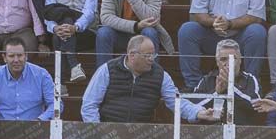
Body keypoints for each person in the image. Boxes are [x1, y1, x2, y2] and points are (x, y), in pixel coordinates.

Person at [176, 0, 268, 91]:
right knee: (187, 30)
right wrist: (214, 22)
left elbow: (256, 17)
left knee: (257, 31)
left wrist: (230, 24)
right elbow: (198, 13)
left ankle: (251, 83)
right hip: (212, 35)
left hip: (240, 36)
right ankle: (193, 85)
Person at [81, 35, 219, 124]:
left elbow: (177, 102)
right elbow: (89, 105)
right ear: (132, 55)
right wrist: (97, 131)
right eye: (147, 56)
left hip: (142, 134)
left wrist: (198, 112)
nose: (151, 60)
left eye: (153, 55)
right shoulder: (107, 70)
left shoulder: (161, 75)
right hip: (108, 130)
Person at [43, 0, 98, 86]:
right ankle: (74, 67)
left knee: (65, 15)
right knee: (62, 19)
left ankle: (59, 83)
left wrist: (76, 27)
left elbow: (89, 12)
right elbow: (48, 12)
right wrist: (54, 28)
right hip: (61, 30)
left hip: (85, 31)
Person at [0, 37, 58, 121]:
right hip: (2, 130)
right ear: (4, 58)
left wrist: (40, 120)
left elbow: (56, 104)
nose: (16, 60)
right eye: (11, 56)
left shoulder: (42, 75)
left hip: (35, 129)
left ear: (26, 56)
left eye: (20, 55)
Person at [190, 40, 263, 126]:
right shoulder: (207, 80)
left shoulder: (250, 79)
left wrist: (231, 87)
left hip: (242, 132)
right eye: (223, 59)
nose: (228, 63)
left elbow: (256, 106)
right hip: (211, 132)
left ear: (240, 60)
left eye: (233, 58)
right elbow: (193, 107)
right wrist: (216, 93)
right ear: (217, 62)